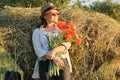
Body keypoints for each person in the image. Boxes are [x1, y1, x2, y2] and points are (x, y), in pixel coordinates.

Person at [32, 2, 72, 80]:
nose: (56, 15)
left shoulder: (61, 29)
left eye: (57, 13)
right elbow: (38, 50)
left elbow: (67, 43)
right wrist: (53, 57)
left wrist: (54, 51)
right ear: (45, 16)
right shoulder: (37, 32)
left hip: (61, 60)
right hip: (45, 61)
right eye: (53, 14)